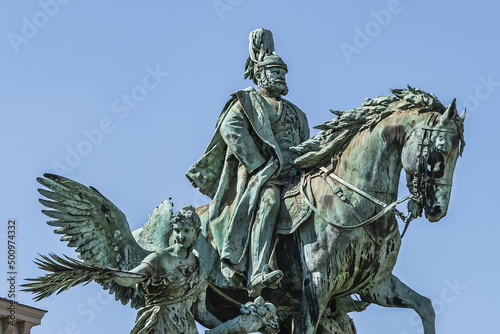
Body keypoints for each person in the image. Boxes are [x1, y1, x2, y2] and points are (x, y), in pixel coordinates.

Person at [186, 29, 310, 296]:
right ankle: (258, 271)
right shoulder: (247, 101)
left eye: (283, 73)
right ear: (260, 74)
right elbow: (231, 129)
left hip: (296, 174)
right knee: (269, 201)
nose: (281, 77)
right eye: (275, 72)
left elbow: (305, 144)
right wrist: (258, 163)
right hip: (263, 175)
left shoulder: (298, 113)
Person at [113, 205, 222, 334]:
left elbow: (202, 314)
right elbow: (129, 278)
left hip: (187, 330)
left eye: (186, 230)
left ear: (196, 232)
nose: (181, 236)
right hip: (160, 325)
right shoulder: (159, 258)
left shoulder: (200, 269)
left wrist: (230, 327)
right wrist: (108, 273)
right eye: (177, 230)